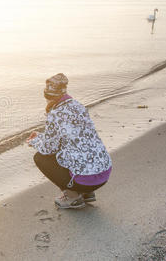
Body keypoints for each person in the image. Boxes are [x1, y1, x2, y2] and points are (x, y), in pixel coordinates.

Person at [26, 73, 112, 209]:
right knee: (76, 149)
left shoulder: (55, 114)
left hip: (87, 179)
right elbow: (70, 137)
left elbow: (48, 149)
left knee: (40, 158)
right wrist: (41, 136)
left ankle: (72, 197)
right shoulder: (78, 105)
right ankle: (87, 193)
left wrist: (34, 141)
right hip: (104, 171)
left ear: (48, 97)